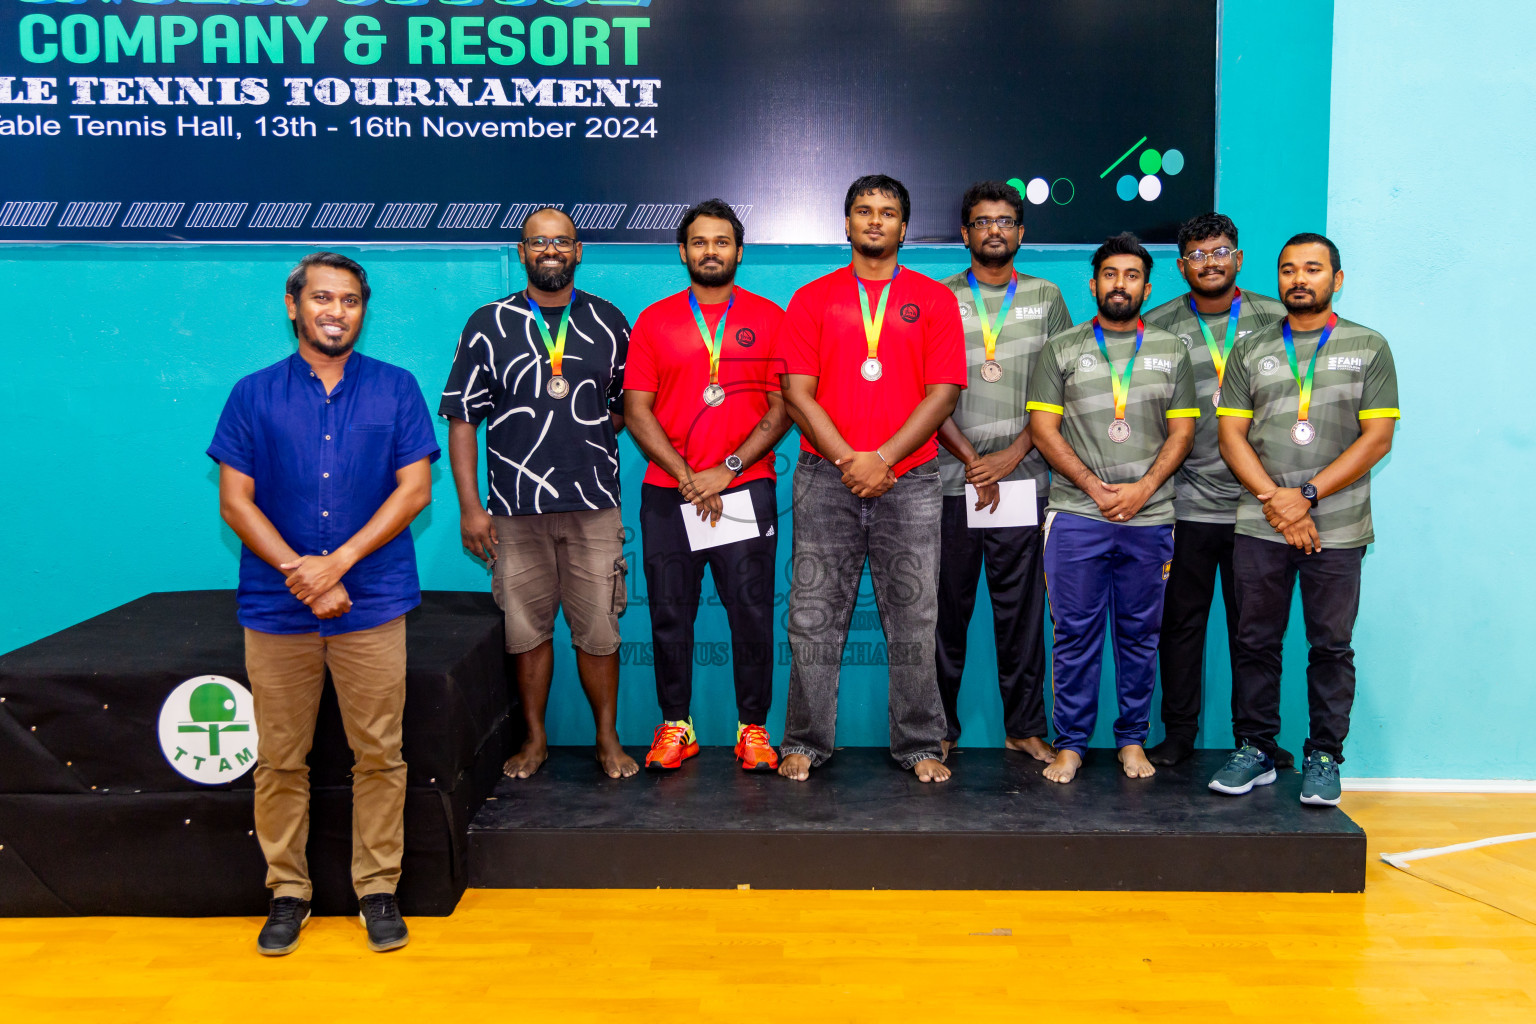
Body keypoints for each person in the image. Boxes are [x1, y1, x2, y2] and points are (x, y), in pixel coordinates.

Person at [208, 252, 438, 956]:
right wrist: (300, 573)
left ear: (362, 311)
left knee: (379, 755)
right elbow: (235, 501)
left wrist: (337, 564)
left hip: (373, 602)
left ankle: (377, 887)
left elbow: (415, 492)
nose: (336, 312)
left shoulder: (397, 390)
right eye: (322, 299)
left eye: (349, 301)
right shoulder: (252, 395)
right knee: (280, 759)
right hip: (277, 610)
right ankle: (288, 891)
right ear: (293, 305)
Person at [776, 174, 966, 784]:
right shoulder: (811, 298)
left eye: (888, 212)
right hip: (824, 478)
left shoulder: (934, 300)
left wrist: (881, 458)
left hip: (908, 479)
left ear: (904, 227)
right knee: (811, 615)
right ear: (848, 223)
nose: (876, 221)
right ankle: (805, 739)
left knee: (914, 616)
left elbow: (943, 395)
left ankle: (918, 743)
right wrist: (850, 461)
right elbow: (797, 395)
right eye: (864, 211)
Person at [440, 207, 637, 781]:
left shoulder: (609, 320)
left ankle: (607, 737)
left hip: (594, 506)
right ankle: (535, 738)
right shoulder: (486, 323)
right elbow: (461, 420)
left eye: (561, 242)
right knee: (525, 630)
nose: (550, 250)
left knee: (599, 629)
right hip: (512, 511)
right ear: (522, 252)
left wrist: (576, 445)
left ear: (578, 251)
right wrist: (471, 507)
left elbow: (626, 408)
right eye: (538, 242)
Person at [1208, 233, 1399, 806]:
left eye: (1313, 269)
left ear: (1336, 279)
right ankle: (1256, 749)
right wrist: (1278, 499)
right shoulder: (1252, 349)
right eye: (1289, 269)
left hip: (1337, 527)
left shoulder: (1368, 346)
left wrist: (1307, 495)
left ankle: (1323, 756)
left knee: (1330, 646)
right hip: (1261, 523)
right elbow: (1230, 435)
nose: (1299, 278)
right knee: (1254, 641)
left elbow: (1378, 437)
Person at [623, 199, 790, 771]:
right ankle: (677, 725)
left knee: (751, 611)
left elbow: (782, 408)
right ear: (683, 251)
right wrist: (687, 476)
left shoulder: (770, 318)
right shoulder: (654, 320)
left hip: (745, 489)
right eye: (700, 242)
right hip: (668, 493)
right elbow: (637, 410)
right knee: (670, 611)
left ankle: (753, 728)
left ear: (739, 252)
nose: (711, 251)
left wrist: (729, 469)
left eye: (722, 242)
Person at [1025, 233, 1198, 784]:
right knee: (1074, 635)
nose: (1119, 284)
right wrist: (1096, 489)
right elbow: (1044, 431)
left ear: (1147, 286)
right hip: (1077, 514)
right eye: (1109, 274)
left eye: (1131, 276)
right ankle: (1071, 745)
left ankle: (1131, 741)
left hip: (1149, 517)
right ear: (1094, 282)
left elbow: (1184, 431)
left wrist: (1144, 488)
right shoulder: (1062, 349)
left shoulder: (1173, 350)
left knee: (1139, 636)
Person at [1141, 213, 1289, 768]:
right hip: (1186, 504)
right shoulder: (1156, 326)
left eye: (1221, 251)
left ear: (1239, 258)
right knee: (1180, 629)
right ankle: (1179, 733)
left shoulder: (1276, 319)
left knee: (1255, 634)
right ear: (1182, 266)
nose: (1211, 262)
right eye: (1199, 255)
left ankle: (1257, 740)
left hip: (1260, 507)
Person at [934, 181, 1072, 762]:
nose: (994, 230)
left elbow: (1065, 384)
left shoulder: (1047, 297)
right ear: (965, 234)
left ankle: (1023, 727)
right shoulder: (938, 298)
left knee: (1021, 616)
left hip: (1025, 481)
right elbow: (926, 393)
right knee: (945, 613)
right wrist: (972, 461)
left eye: (1006, 221)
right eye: (982, 221)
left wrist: (1013, 456)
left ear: (1021, 232)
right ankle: (936, 728)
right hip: (948, 480)